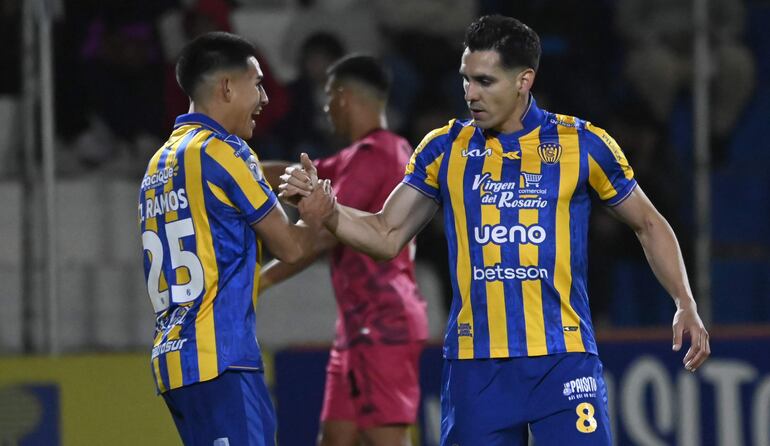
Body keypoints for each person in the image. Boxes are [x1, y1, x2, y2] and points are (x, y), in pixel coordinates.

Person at [282, 15, 711, 445]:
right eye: (466, 79)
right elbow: (386, 234)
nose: (470, 94)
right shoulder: (444, 149)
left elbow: (648, 222)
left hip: (562, 360)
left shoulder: (581, 143)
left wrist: (685, 302)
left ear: (524, 80)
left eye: (485, 81)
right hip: (476, 369)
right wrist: (331, 213)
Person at [137, 31, 327, 445]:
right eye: (257, 84)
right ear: (227, 87)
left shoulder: (158, 164)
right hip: (222, 361)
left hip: (175, 363)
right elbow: (291, 247)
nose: (265, 98)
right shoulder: (225, 151)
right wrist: (321, 215)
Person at [260, 55, 428, 446]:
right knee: (336, 439)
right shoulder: (362, 157)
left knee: (385, 440)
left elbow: (321, 234)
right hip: (357, 327)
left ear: (344, 97)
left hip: (383, 323)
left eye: (328, 97)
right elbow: (293, 174)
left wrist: (258, 282)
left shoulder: (378, 154)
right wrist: (235, 164)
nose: (325, 109)